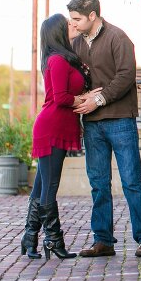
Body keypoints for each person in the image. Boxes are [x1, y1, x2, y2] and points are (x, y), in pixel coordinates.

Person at [67, 0, 141, 258]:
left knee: (131, 182)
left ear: (92, 16)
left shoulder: (118, 38)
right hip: (93, 125)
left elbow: (126, 76)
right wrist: (82, 96)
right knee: (98, 183)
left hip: (121, 121)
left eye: (77, 19)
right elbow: (76, 78)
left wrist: (98, 98)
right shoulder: (76, 45)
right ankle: (103, 241)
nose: (73, 24)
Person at [21, 13, 97, 260]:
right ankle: (53, 240)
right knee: (49, 188)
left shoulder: (63, 58)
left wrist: (87, 92)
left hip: (58, 127)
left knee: (42, 186)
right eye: (67, 24)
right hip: (51, 128)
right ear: (58, 32)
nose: (72, 25)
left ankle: (29, 237)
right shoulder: (56, 60)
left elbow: (66, 92)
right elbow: (61, 98)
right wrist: (85, 99)